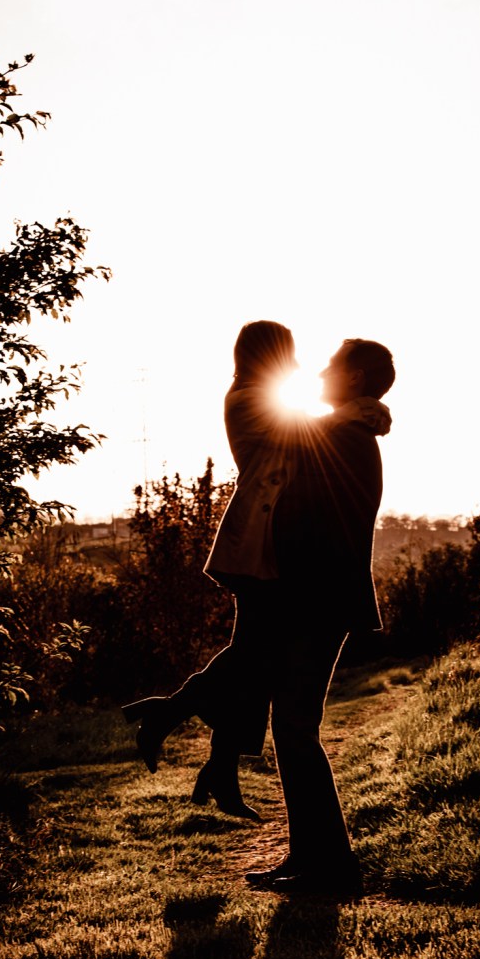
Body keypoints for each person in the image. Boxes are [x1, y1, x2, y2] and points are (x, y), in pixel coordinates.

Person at [122, 322, 389, 822]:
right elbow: (303, 435)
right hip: (256, 550)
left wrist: (356, 412)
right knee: (254, 656)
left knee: (255, 662)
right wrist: (356, 409)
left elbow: (313, 440)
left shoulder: (273, 400)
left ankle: (208, 755)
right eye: (289, 353)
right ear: (271, 355)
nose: (302, 366)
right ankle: (174, 719)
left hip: (270, 553)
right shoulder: (246, 398)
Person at [245, 338, 396, 894]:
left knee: (294, 727)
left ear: (355, 378)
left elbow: (314, 523)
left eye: (332, 365)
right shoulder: (342, 433)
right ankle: (311, 856)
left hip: (316, 601)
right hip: (314, 599)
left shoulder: (348, 440)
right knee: (292, 727)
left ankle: (330, 865)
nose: (322, 371)